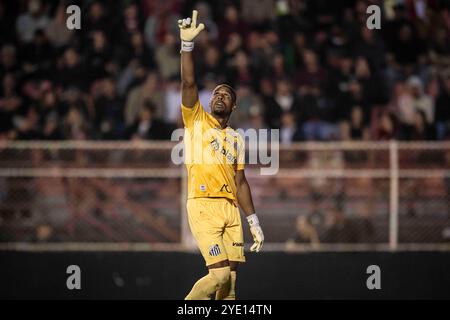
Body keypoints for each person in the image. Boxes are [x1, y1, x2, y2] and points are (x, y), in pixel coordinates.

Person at [178, 10, 264, 300]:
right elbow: (189, 84)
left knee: (230, 288)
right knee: (219, 275)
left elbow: (241, 182)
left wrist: (253, 220)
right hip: (203, 205)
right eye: (215, 93)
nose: (218, 96)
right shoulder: (196, 119)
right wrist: (187, 46)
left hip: (230, 210)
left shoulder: (237, 139)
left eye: (225, 95)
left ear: (234, 106)